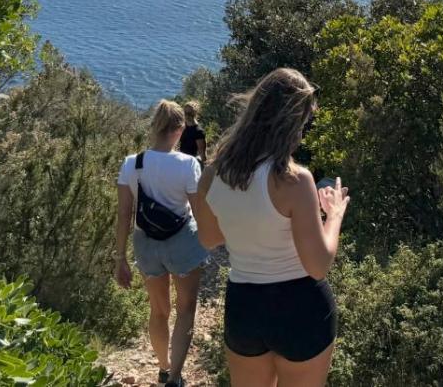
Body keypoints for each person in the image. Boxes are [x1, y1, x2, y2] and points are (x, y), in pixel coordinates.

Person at [191, 68, 350, 387]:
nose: (303, 133)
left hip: (245, 307)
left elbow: (209, 238)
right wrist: (334, 214)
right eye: (303, 123)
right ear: (290, 123)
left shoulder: (212, 175)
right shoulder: (294, 180)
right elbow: (318, 265)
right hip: (301, 307)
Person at [114, 100, 211, 387]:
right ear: (180, 129)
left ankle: (164, 368)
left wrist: (120, 258)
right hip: (182, 242)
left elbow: (124, 214)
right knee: (185, 309)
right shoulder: (188, 164)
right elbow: (199, 210)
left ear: (154, 126)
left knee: (158, 311)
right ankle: (176, 378)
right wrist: (211, 239)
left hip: (146, 244)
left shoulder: (132, 163)